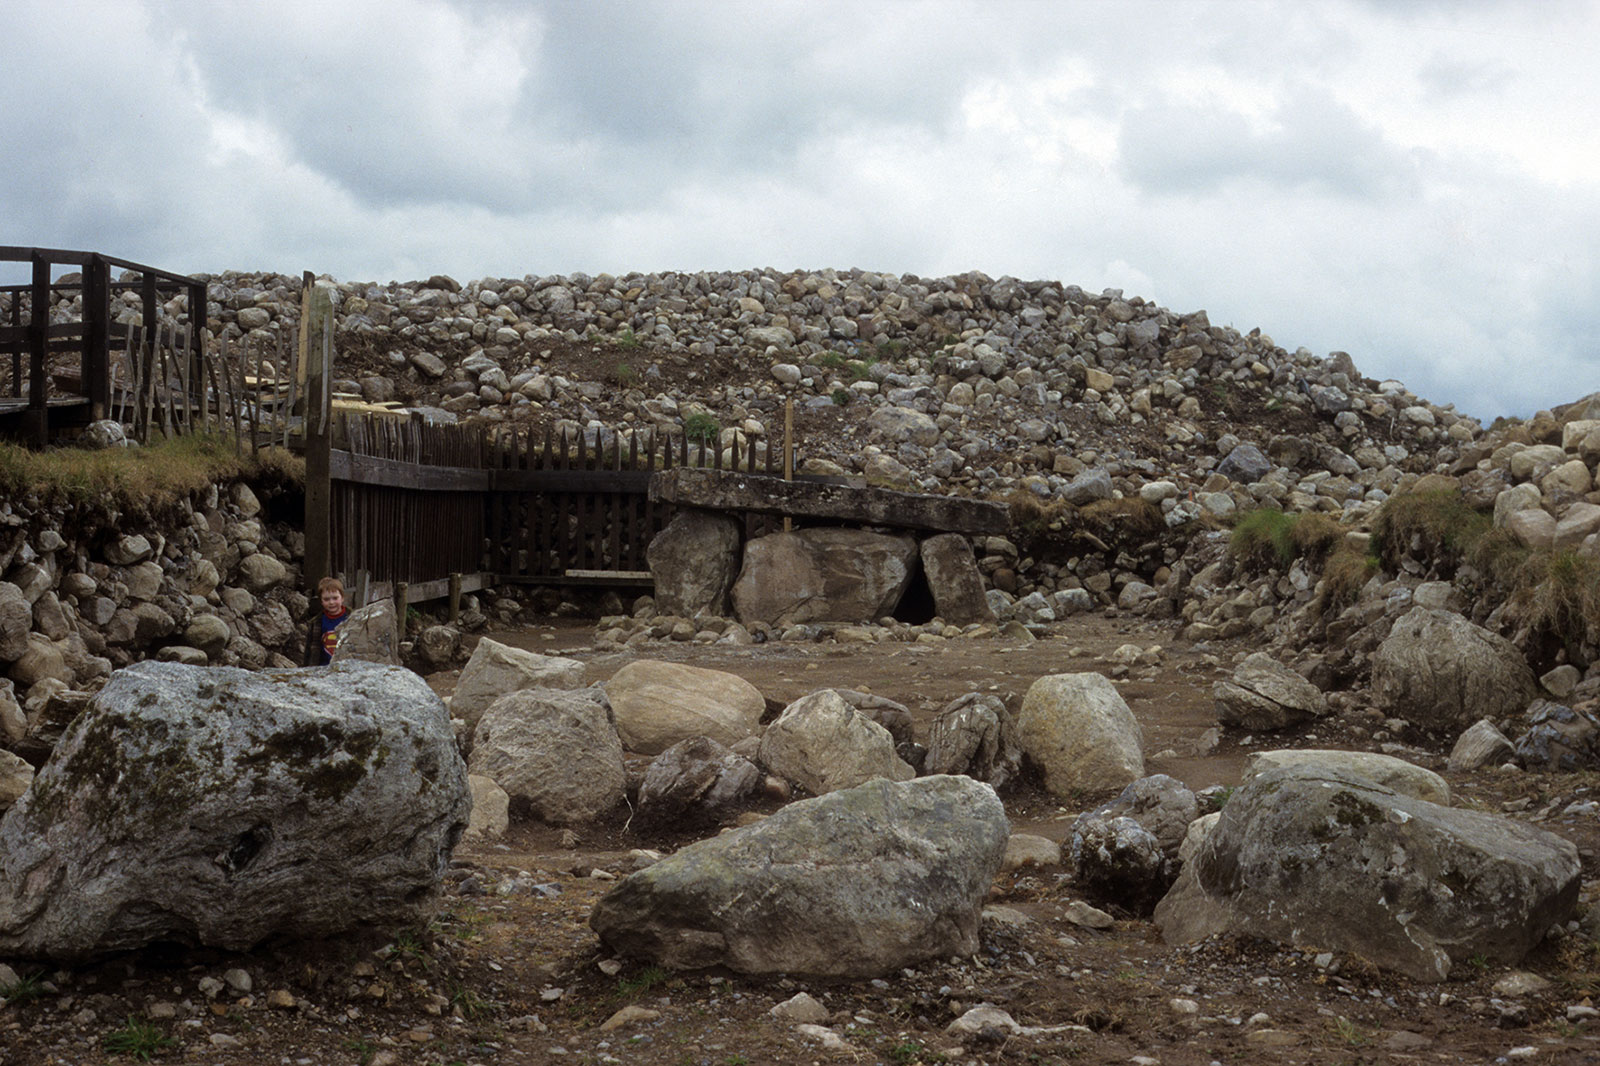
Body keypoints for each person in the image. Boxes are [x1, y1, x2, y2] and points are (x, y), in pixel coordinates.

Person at [302, 576, 350, 666]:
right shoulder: (316, 623)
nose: (331, 602)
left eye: (335, 598)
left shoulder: (353, 618)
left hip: (347, 667)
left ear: (342, 598)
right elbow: (309, 651)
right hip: (323, 669)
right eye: (326, 599)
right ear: (321, 601)